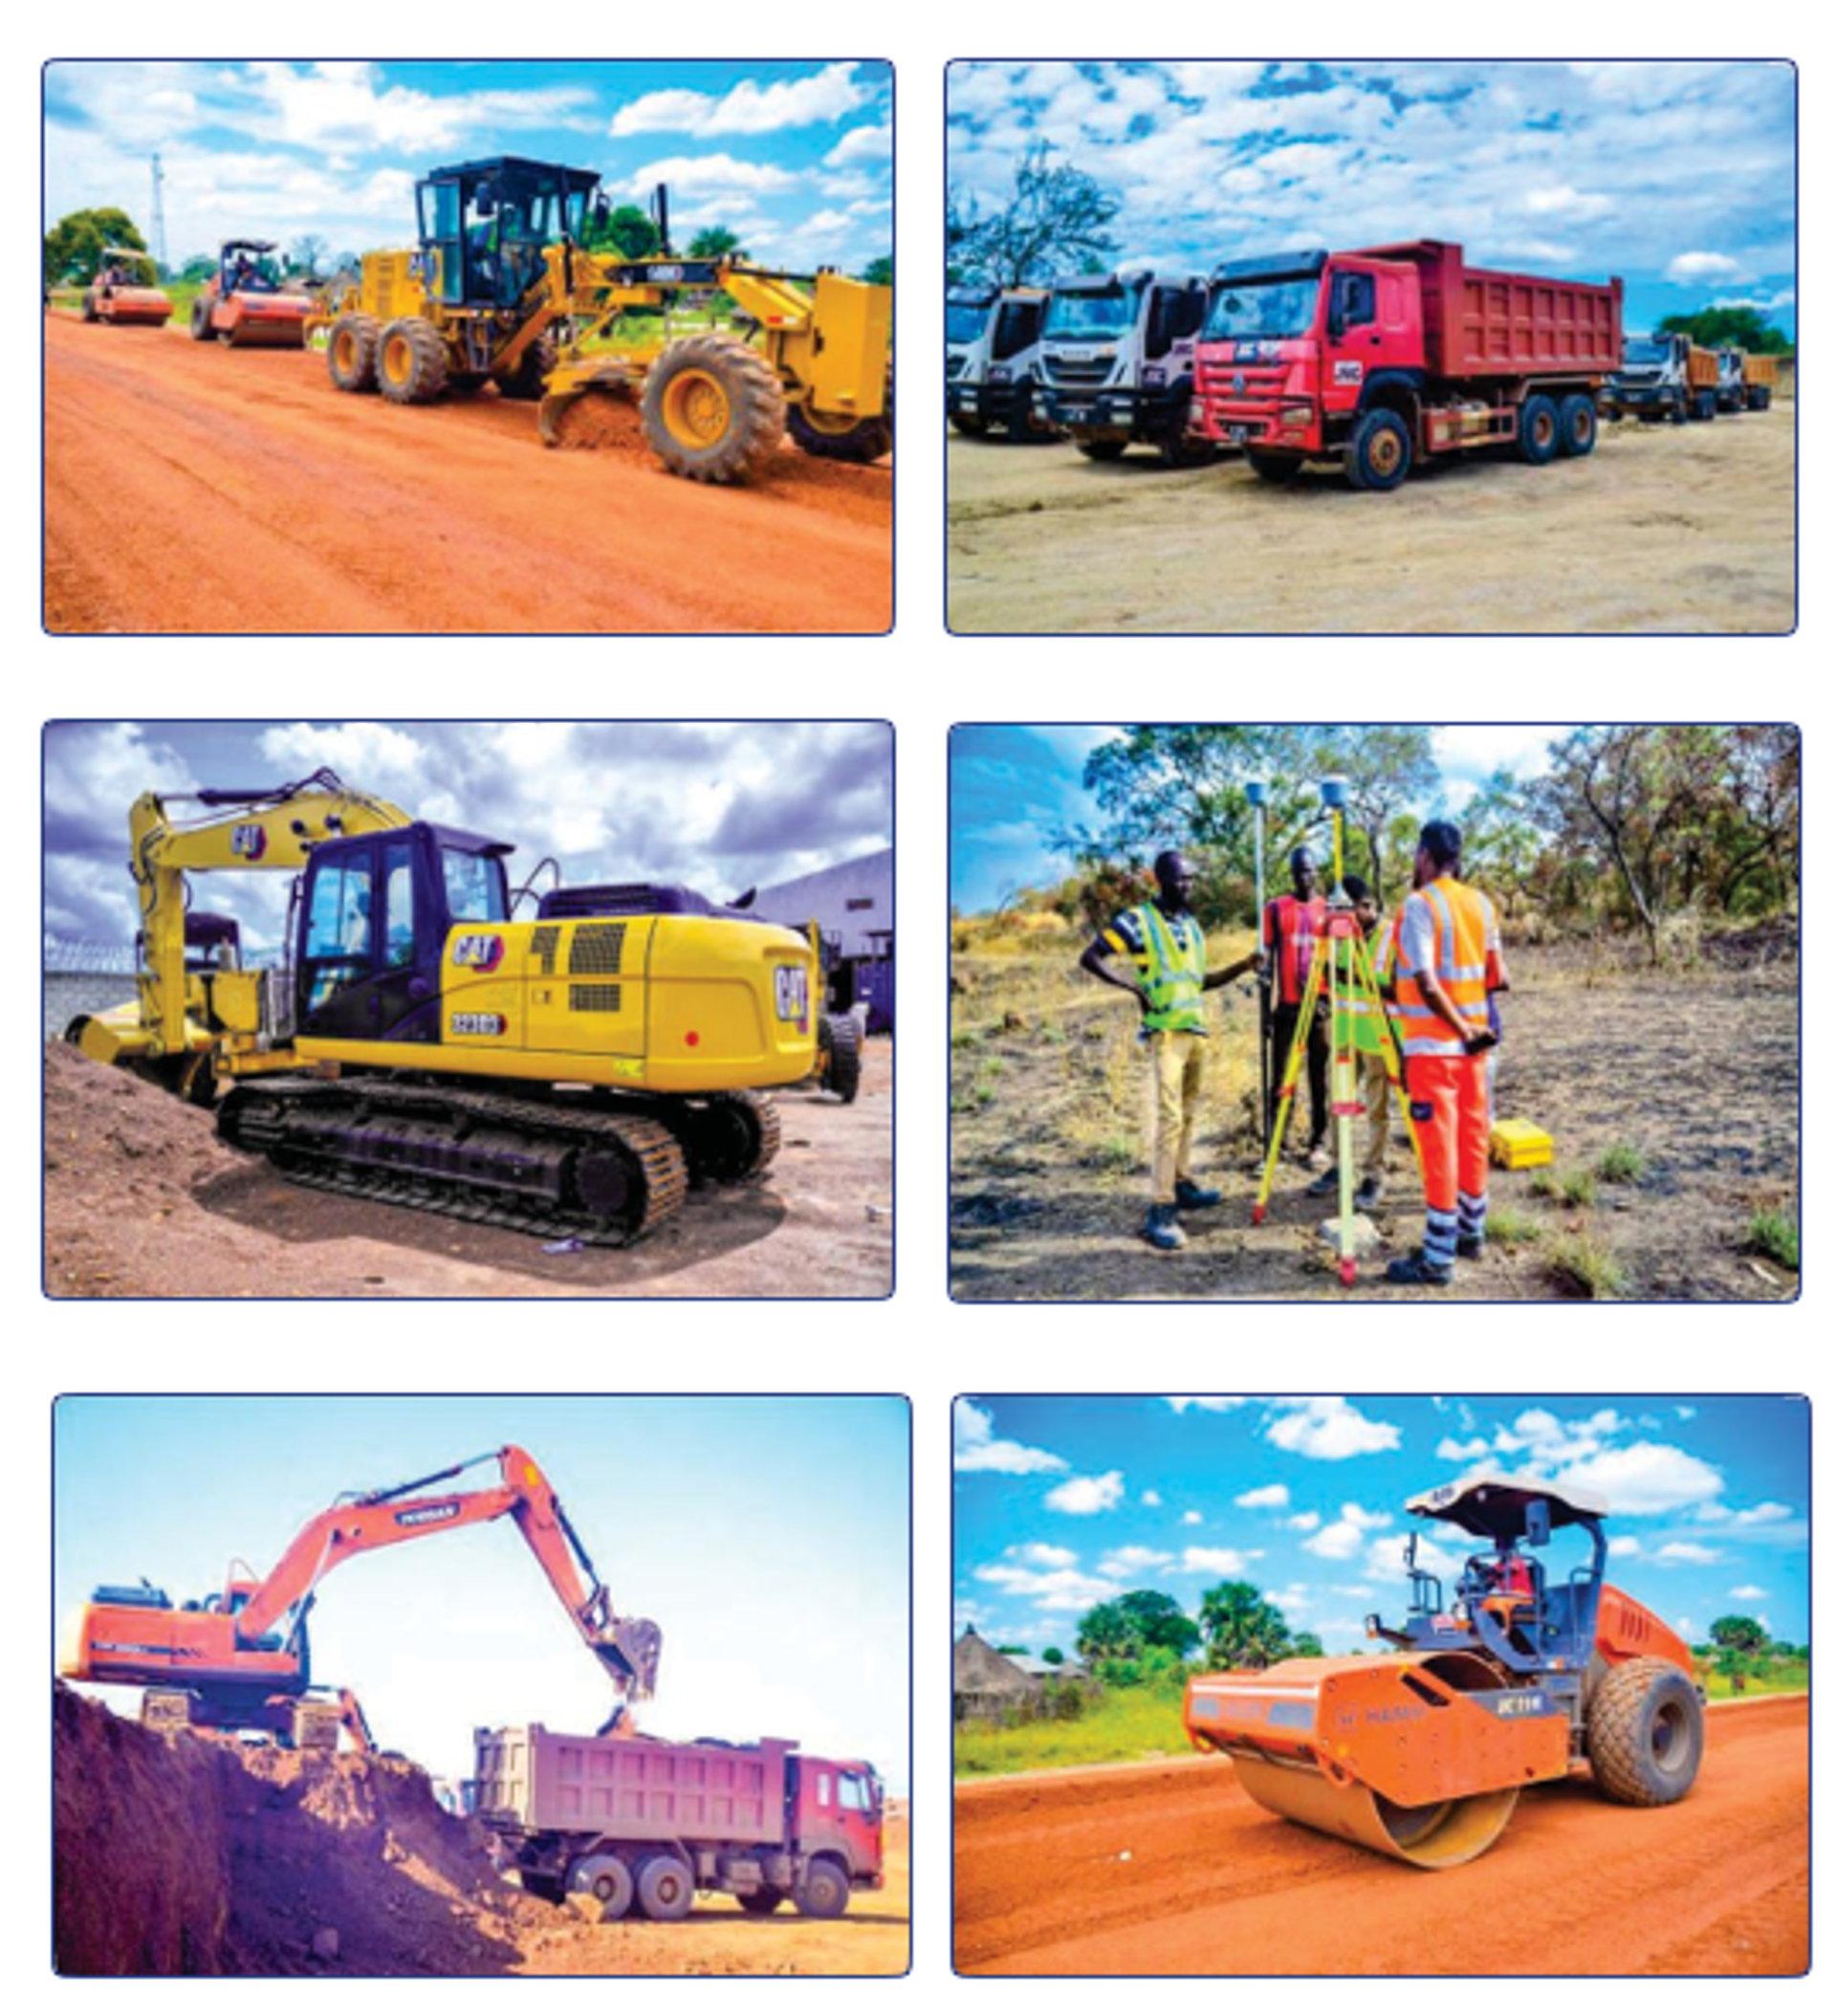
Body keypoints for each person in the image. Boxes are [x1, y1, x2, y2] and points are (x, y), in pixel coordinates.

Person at [1081, 850, 1260, 1252]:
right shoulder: (1138, 921)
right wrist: (1132, 988)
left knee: (1190, 1112)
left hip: (1195, 1031)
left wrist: (1245, 964)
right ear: (1160, 880)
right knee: (1170, 1117)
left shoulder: (1191, 926)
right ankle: (1160, 1209)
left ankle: (1181, 1181)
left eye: (1191, 879)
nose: (1188, 885)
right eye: (1180, 879)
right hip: (1165, 1034)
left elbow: (1199, 981)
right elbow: (1090, 956)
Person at [1385, 819, 1502, 1286]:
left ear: (1426, 855)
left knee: (1439, 1151)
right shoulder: (1482, 903)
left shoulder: (1420, 905)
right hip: (1475, 1050)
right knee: (1473, 1140)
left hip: (1435, 1048)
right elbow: (1499, 976)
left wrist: (1458, 1027)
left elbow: (1427, 984)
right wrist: (1474, 1028)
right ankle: (1472, 1233)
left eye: (1417, 854)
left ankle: (1437, 1259)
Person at [1307, 874, 1394, 1209]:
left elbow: (1398, 989)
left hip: (1377, 1035)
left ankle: (1374, 1175)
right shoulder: (1339, 936)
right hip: (1345, 1033)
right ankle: (1339, 1165)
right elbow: (1329, 978)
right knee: (1338, 1103)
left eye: (1348, 910)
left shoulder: (1390, 936)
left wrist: (1356, 977)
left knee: (1377, 1108)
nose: (1341, 917)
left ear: (1367, 906)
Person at [1264, 846, 1329, 1167]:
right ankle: (1278, 1143)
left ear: (1317, 871)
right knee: (1281, 1080)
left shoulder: (1328, 909)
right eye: (1298, 871)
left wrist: (1329, 1004)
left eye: (1310, 870)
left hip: (1320, 1009)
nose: (1305, 877)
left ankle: (1318, 1142)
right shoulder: (1276, 909)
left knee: (1320, 1078)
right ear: (1291, 873)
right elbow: (1266, 964)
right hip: (1288, 1009)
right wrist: (1265, 1013)